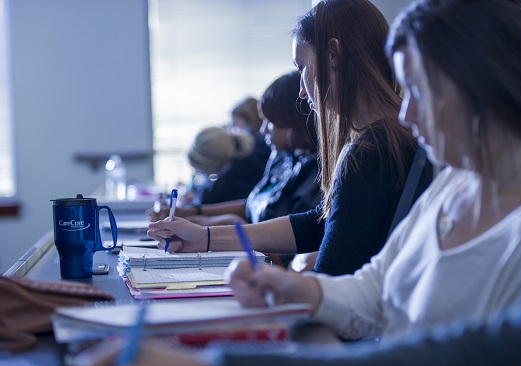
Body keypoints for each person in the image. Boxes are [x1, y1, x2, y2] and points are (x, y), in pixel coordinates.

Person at [82, 0, 521, 366]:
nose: (406, 113)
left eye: (418, 90)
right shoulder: (454, 184)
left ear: (475, 88)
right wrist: (295, 288)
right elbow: (375, 291)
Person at [147, 0, 432, 276]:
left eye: (302, 67)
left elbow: (330, 276)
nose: (302, 92)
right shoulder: (394, 137)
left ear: (333, 55)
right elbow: (320, 224)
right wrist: (204, 238)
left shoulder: (369, 152)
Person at [150, 71, 321, 230]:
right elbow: (251, 205)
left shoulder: (314, 172)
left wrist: (232, 224)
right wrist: (187, 213)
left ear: (295, 123)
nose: (262, 131)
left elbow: (293, 251)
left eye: (271, 123)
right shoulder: (282, 158)